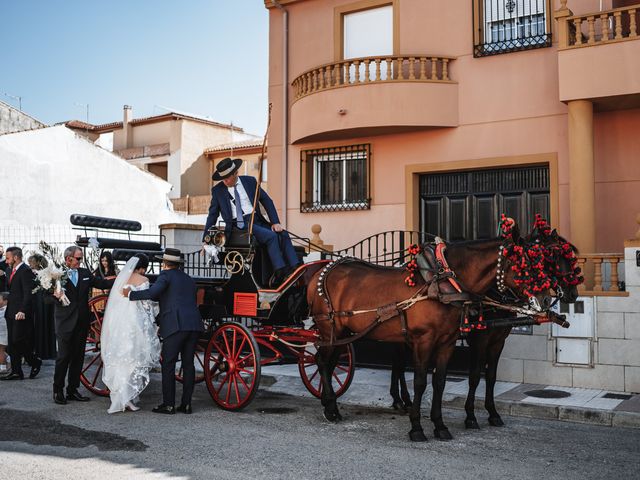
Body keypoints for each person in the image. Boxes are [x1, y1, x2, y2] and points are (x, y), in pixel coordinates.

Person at [123, 248, 203, 414]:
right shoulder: (189, 279)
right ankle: (186, 405)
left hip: (175, 325)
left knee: (168, 364)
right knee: (188, 365)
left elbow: (153, 293)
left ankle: (169, 404)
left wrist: (131, 294)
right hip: (194, 324)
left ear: (165, 263)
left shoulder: (165, 276)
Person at [202, 157, 300, 287]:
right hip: (239, 225)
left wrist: (275, 222)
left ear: (235, 173)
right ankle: (279, 271)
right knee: (271, 237)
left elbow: (267, 201)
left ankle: (296, 268)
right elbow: (212, 215)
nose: (225, 181)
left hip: (256, 219)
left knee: (283, 233)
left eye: (227, 177)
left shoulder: (250, 181)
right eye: (222, 178)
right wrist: (205, 239)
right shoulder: (218, 191)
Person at [51, 246, 114, 405]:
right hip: (64, 323)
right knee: (63, 357)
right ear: (68, 259)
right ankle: (58, 390)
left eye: (81, 258)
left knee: (78, 358)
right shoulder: (56, 274)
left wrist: (122, 279)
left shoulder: (85, 273)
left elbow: (101, 284)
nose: (81, 261)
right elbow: (44, 298)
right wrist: (55, 295)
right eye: (78, 258)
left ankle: (73, 390)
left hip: (82, 322)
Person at [101, 253, 160, 414]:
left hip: (120, 323)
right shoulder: (144, 280)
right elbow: (148, 304)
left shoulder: (122, 279)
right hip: (135, 324)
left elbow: (116, 303)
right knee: (133, 359)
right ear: (142, 268)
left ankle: (122, 396)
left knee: (122, 360)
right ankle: (126, 398)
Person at [1, 247, 42, 381]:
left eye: (8, 258)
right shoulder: (8, 270)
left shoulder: (26, 271)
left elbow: (28, 293)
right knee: (12, 343)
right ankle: (17, 372)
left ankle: (34, 361)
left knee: (18, 340)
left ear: (16, 257)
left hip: (21, 312)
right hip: (10, 311)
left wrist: (22, 310)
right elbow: (10, 289)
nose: (6, 261)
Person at [0, 292, 9, 374]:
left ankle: (3, 367)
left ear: (6, 301)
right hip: (2, 333)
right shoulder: (2, 310)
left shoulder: (6, 310)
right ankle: (9, 359)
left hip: (3, 334)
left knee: (1, 350)